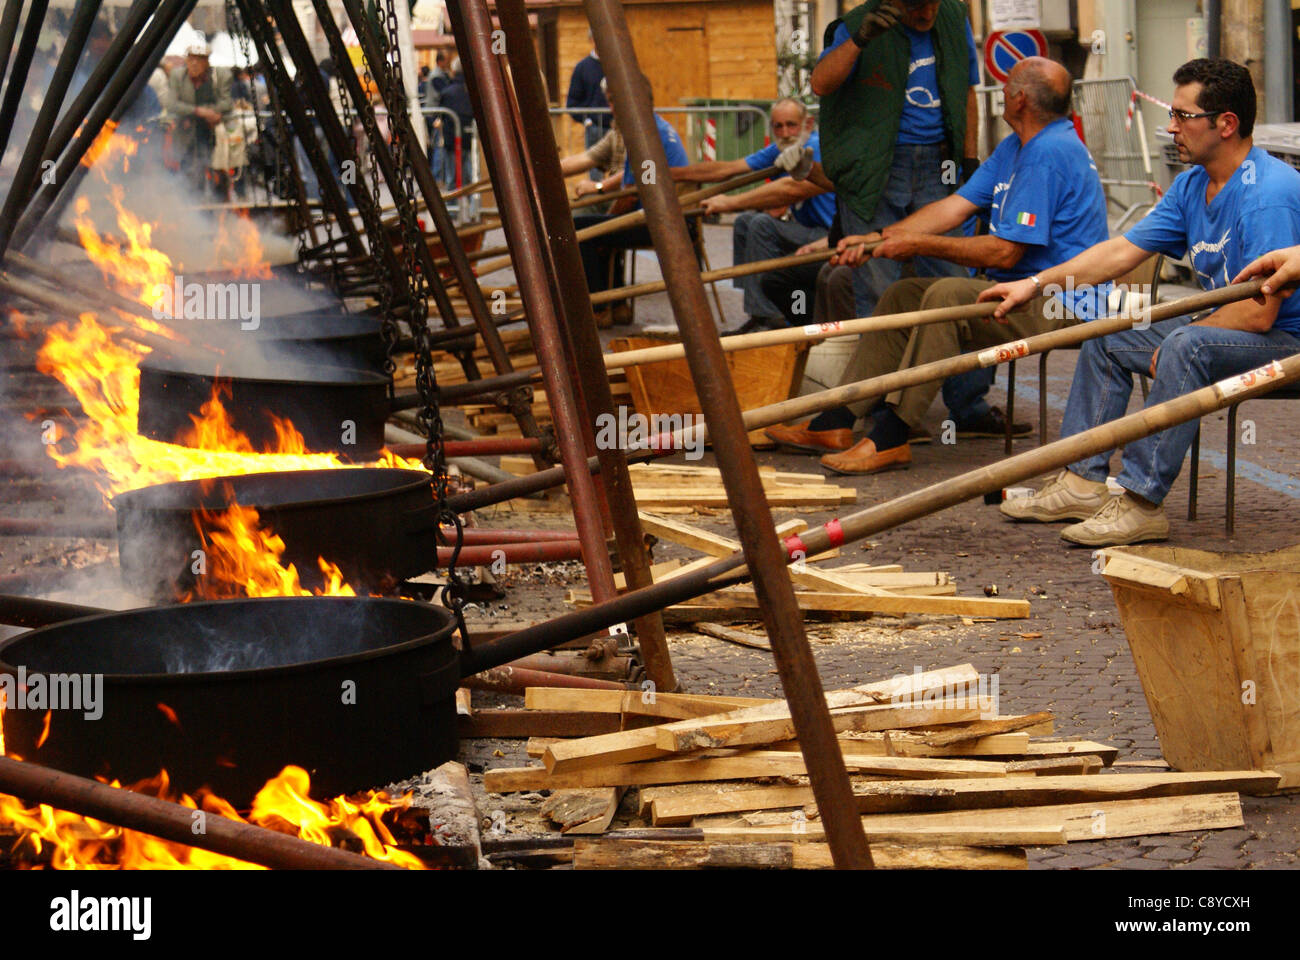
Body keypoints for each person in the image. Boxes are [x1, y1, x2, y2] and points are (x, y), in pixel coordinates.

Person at [981, 58, 1300, 547]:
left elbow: (1259, 314)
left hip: (1286, 342)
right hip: (1234, 327)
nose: (1171, 127)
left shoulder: (1268, 194)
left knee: (1186, 345)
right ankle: (1083, 482)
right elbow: (1121, 252)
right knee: (1111, 331)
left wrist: (1180, 336)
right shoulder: (1193, 183)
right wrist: (1036, 283)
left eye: (1182, 116)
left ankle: (1141, 502)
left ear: (1226, 123)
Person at [766, 57, 1109, 472]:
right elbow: (953, 207)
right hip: (1017, 292)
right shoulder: (1017, 146)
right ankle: (836, 419)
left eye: (1005, 87)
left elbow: (1005, 252)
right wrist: (879, 240)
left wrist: (917, 244)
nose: (999, 93)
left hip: (1058, 300)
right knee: (902, 295)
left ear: (1019, 100)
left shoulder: (1047, 153)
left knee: (945, 294)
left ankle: (893, 435)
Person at [812, 0, 981, 321]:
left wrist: (969, 160)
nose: (927, 13)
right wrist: (860, 40)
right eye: (917, 5)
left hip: (940, 162)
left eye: (933, 3)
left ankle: (948, 367)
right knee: (877, 284)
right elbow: (820, 83)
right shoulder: (858, 24)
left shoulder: (954, 18)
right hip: (876, 168)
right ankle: (886, 365)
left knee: (950, 279)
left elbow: (966, 92)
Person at [670, 98, 836, 332]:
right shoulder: (781, 148)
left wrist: (730, 203)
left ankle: (769, 318)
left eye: (791, 125)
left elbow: (791, 188)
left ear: (807, 124)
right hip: (808, 231)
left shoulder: (813, 148)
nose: (785, 132)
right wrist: (672, 174)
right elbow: (727, 169)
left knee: (761, 224)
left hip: (830, 235)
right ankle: (757, 311)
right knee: (745, 222)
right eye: (778, 126)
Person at [571, 78, 691, 325]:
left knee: (582, 230)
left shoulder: (644, 136)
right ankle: (618, 305)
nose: (613, 108)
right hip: (668, 218)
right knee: (603, 228)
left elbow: (631, 196)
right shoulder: (653, 127)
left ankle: (600, 308)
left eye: (617, 101)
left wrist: (606, 222)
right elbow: (629, 189)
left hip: (663, 224)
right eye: (611, 101)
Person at [165, 39, 234, 197]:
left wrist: (211, 113)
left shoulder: (220, 76)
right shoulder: (178, 76)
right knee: (185, 169)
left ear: (207, 61)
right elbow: (171, 104)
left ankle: (216, 201)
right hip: (185, 133)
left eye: (199, 59)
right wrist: (198, 111)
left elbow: (226, 103)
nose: (194, 63)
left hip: (210, 132)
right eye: (191, 58)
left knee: (213, 169)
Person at [566, 32, 611, 179]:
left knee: (620, 170)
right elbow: (572, 103)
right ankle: (597, 198)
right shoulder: (582, 68)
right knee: (595, 173)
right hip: (595, 128)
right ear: (591, 40)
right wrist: (587, 121)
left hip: (618, 128)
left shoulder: (616, 65)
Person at [438, 58, 476, 190]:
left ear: (453, 71)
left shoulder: (448, 92)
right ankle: (472, 207)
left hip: (452, 140)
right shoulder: (474, 90)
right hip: (472, 139)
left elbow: (443, 116)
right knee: (472, 177)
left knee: (452, 177)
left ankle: (452, 209)